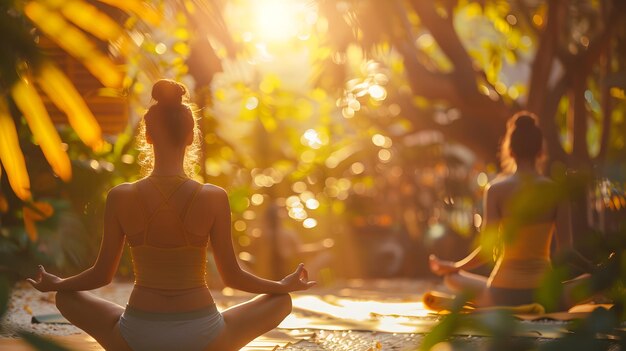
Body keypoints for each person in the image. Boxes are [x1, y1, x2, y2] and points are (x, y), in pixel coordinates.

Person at [27, 79, 316, 351]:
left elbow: (102, 274)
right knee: (281, 302)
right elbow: (233, 276)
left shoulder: (121, 196)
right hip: (204, 336)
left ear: (148, 135)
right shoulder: (213, 196)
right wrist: (280, 286)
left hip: (137, 335)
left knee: (67, 298)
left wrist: (58, 284)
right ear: (191, 137)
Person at [429, 111, 592, 309]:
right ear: (541, 151)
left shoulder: (496, 190)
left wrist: (454, 267)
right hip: (546, 296)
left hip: (501, 294)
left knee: (452, 279)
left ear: (511, 151)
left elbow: (487, 251)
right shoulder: (556, 191)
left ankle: (480, 294)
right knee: (596, 281)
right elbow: (565, 254)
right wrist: (598, 271)